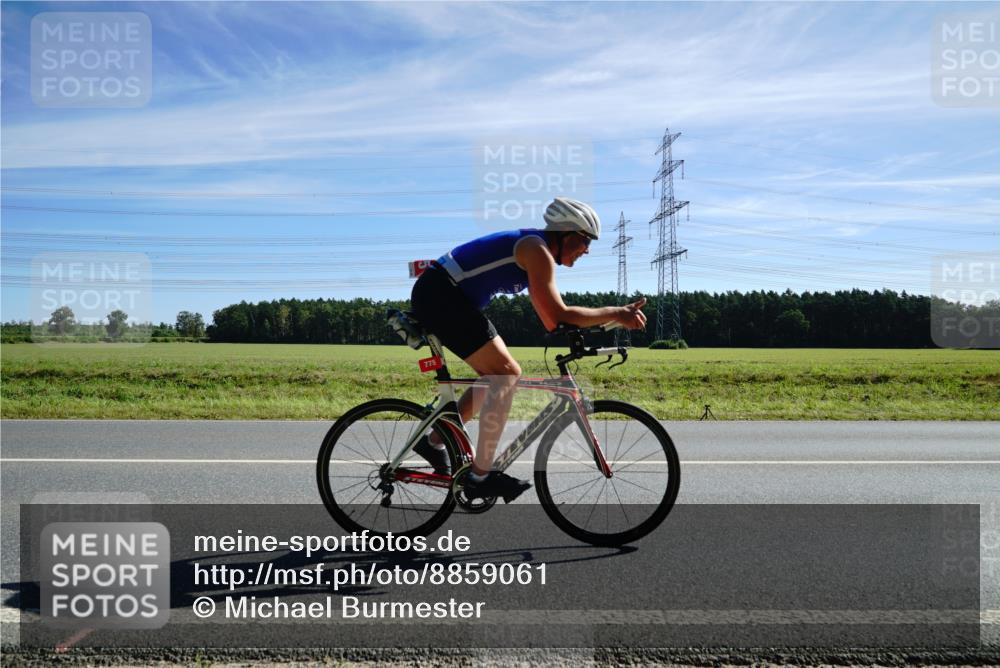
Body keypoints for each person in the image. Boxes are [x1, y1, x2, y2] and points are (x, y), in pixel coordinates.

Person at [409, 197, 647, 502]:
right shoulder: (537, 250)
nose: (586, 250)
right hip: (441, 295)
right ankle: (480, 477)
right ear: (565, 234)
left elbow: (551, 318)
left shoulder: (537, 248)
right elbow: (556, 317)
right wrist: (614, 313)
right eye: (585, 241)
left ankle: (436, 440)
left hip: (450, 297)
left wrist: (608, 318)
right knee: (505, 374)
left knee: (497, 375)